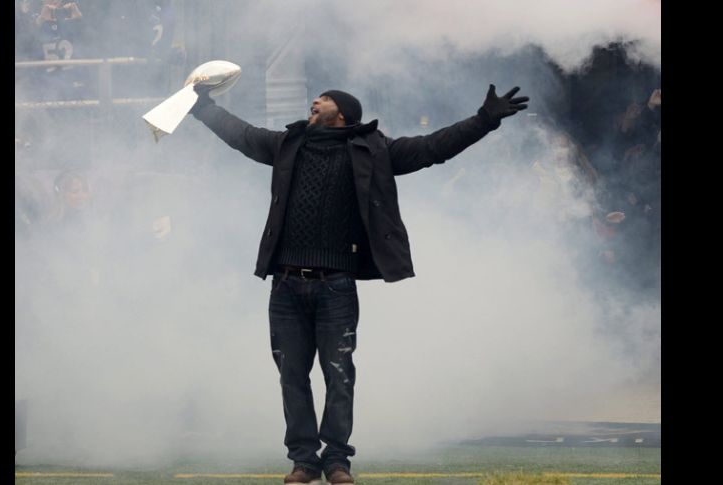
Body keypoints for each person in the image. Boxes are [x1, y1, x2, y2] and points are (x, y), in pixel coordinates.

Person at [189, 84, 528, 485]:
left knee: (339, 375)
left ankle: (336, 461)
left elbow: (432, 148)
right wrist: (203, 107)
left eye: (324, 98)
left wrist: (484, 120)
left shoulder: (373, 149)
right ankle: (302, 460)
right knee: (292, 375)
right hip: (285, 285)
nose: (314, 102)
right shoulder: (288, 144)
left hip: (336, 286)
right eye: (315, 98)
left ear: (345, 113)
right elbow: (242, 136)